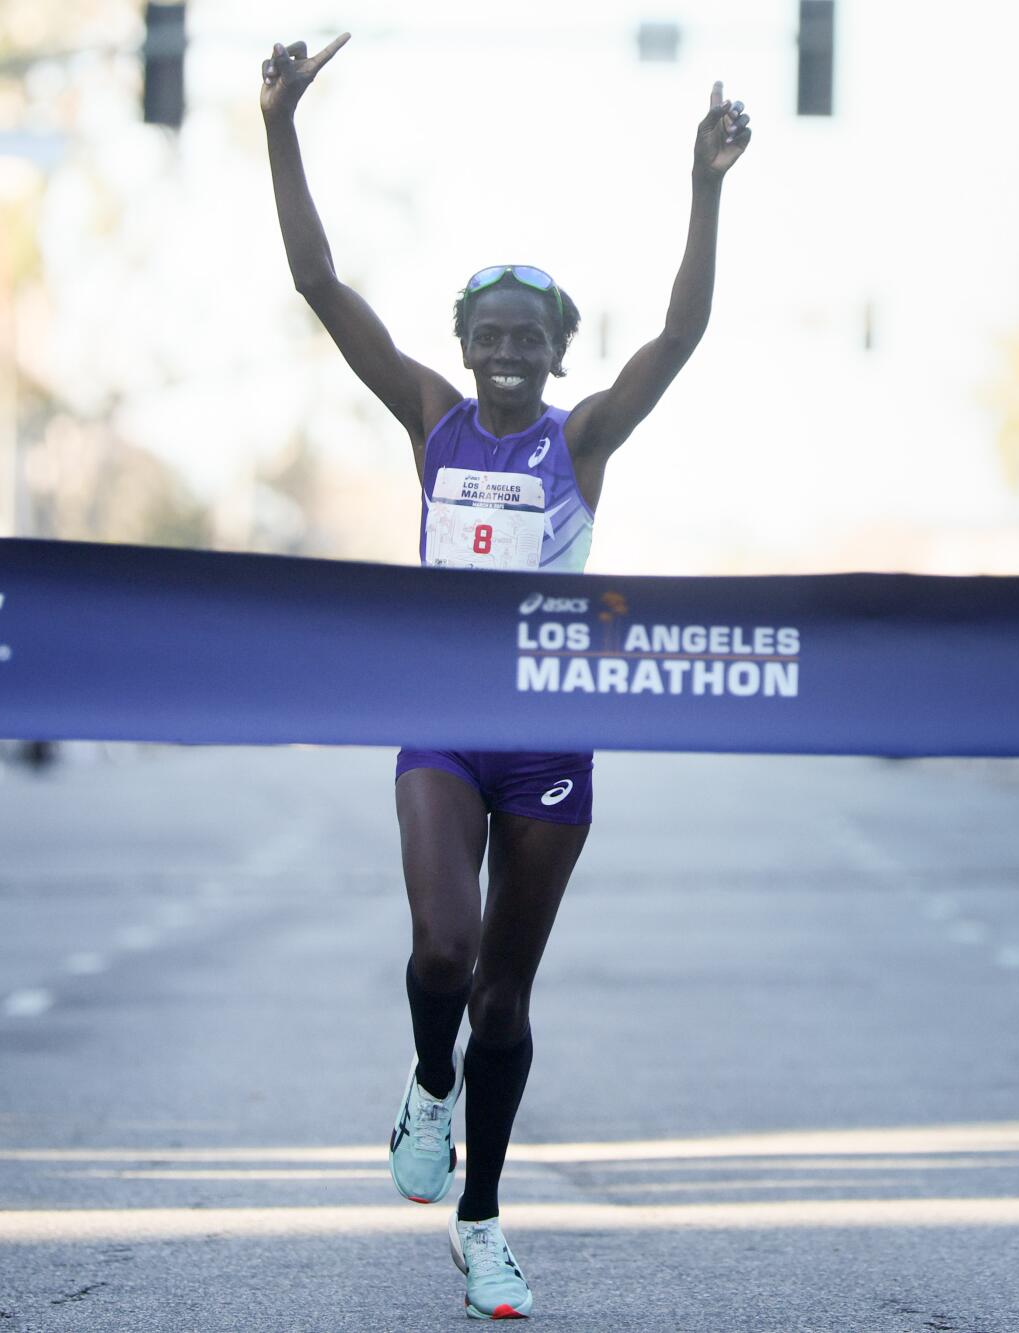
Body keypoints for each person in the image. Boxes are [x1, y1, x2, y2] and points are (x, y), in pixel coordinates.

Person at [261, 32, 750, 1320]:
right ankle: (426, 1090)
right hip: (443, 724)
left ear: (559, 352)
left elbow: (684, 330)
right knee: (442, 953)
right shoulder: (430, 419)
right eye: (491, 333)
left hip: (552, 737)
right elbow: (319, 280)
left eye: (531, 335)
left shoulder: (583, 441)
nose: (510, 351)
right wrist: (278, 125)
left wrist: (704, 186)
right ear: (465, 343)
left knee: (508, 995)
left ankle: (481, 1219)